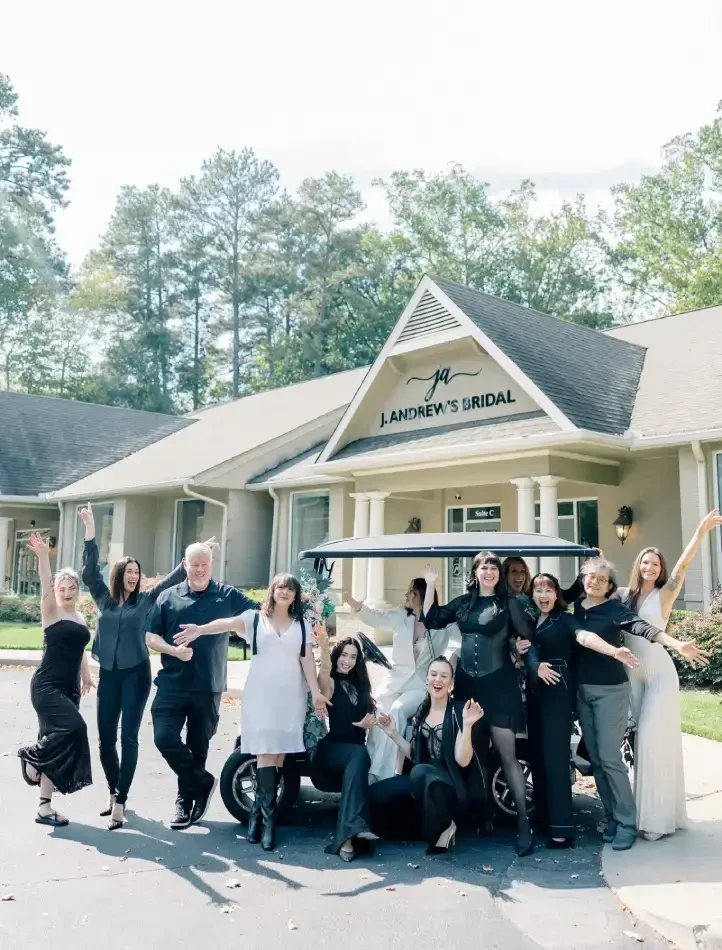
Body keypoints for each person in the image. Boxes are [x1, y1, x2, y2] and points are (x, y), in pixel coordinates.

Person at [78, 505, 214, 830]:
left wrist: (196, 557)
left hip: (136, 676)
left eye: (137, 573)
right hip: (109, 675)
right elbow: (88, 573)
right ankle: (112, 791)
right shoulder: (104, 599)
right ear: (120, 575)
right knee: (105, 740)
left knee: (129, 739)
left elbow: (175, 576)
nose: (134, 577)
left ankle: (121, 801)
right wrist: (91, 531)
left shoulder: (147, 600)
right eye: (129, 572)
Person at [174, 572, 329, 851]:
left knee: (277, 755)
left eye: (290, 589)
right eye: (281, 587)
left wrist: (316, 691)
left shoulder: (302, 624)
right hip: (261, 696)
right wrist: (199, 629)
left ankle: (257, 818)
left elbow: (306, 660)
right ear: (272, 591)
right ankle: (268, 823)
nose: (285, 592)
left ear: (295, 596)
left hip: (290, 698)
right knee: (266, 753)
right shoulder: (254, 619)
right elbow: (226, 623)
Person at [573, 557, 708, 850]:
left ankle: (626, 822)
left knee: (609, 758)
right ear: (582, 579)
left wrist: (675, 644)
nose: (594, 581)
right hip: (582, 692)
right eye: (590, 576)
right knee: (595, 761)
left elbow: (643, 627)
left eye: (601, 579)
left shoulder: (614, 609)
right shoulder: (575, 608)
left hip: (611, 691)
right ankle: (611, 816)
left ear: (610, 586)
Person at [422, 552, 537, 855]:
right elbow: (431, 618)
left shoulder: (508, 603)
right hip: (468, 687)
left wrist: (521, 647)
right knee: (476, 755)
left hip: (499, 686)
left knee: (506, 754)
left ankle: (524, 823)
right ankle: (482, 813)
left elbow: (528, 635)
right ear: (475, 572)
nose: (489, 572)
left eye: (493, 568)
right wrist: (431, 585)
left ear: (498, 574)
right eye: (483, 567)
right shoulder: (464, 602)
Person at [615, 511, 719, 840]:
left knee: (650, 740)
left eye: (655, 565)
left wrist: (700, 532)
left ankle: (655, 822)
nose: (650, 568)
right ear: (638, 566)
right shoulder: (623, 596)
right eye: (645, 563)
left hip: (660, 675)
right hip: (634, 676)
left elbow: (682, 568)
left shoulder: (665, 595)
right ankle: (655, 814)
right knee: (640, 744)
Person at [144, 542, 257, 832]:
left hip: (208, 686)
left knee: (198, 747)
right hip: (172, 683)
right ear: (185, 565)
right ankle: (203, 782)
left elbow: (263, 614)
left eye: (205, 564)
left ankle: (185, 800)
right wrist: (172, 650)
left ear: (212, 564)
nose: (200, 570)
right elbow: (150, 636)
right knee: (164, 737)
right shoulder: (169, 597)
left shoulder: (226, 595)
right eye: (195, 564)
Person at [522, 573, 640, 848]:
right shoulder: (529, 619)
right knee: (538, 757)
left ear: (557, 594)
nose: (543, 594)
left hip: (559, 688)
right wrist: (529, 659)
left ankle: (562, 828)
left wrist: (613, 651)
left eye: (548, 589)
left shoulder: (564, 619)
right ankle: (545, 821)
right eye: (537, 589)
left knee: (557, 758)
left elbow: (584, 637)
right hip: (536, 691)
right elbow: (526, 648)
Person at [343, 579, 459, 781]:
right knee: (378, 715)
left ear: (421, 595)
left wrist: (454, 659)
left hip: (421, 687)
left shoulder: (442, 623)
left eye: (411, 592)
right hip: (394, 683)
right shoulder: (401, 616)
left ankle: (379, 775)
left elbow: (468, 638)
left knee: (396, 710)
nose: (406, 595)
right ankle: (370, 769)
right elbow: (377, 618)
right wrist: (355, 604)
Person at [369, 657, 484, 854]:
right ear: (426, 679)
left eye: (443, 676)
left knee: (420, 772)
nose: (437, 679)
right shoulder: (421, 712)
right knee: (375, 794)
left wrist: (467, 726)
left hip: (449, 787)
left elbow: (463, 761)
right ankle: (420, 827)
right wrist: (393, 734)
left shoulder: (458, 711)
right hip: (421, 780)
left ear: (451, 683)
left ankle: (446, 824)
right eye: (433, 674)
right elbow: (415, 755)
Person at [18, 534, 94, 826]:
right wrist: (43, 557)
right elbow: (45, 583)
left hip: (70, 687)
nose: (66, 591)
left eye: (71, 587)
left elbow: (81, 650)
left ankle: (44, 808)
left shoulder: (80, 618)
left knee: (55, 744)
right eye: (61, 587)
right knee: (74, 728)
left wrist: (86, 674)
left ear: (77, 590)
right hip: (47, 686)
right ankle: (30, 756)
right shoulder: (51, 612)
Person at [311, 628, 379, 861]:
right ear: (336, 655)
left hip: (355, 753)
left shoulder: (361, 686)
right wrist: (323, 646)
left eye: (352, 657)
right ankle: (353, 831)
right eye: (343, 655)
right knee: (358, 755)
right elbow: (325, 675)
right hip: (331, 751)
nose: (347, 661)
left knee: (360, 755)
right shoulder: (331, 683)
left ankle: (349, 836)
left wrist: (371, 720)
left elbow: (371, 712)